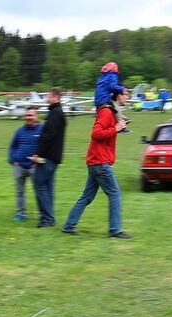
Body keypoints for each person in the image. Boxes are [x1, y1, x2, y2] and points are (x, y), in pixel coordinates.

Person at [62, 85, 131, 239]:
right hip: (100, 161)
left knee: (87, 197)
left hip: (96, 160)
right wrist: (116, 128)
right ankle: (115, 229)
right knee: (115, 194)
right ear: (118, 96)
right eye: (126, 94)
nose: (128, 97)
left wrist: (118, 126)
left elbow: (108, 131)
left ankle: (68, 226)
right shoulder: (106, 111)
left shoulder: (112, 112)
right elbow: (96, 133)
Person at [31, 89, 66, 228]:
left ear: (56, 98)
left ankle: (47, 218)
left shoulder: (55, 113)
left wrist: (38, 153)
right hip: (54, 156)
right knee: (48, 186)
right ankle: (49, 216)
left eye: (49, 97)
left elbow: (49, 135)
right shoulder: (57, 112)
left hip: (48, 156)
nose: (47, 99)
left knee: (39, 183)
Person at [8, 108, 42, 221]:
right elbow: (13, 146)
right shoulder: (20, 131)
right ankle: (21, 214)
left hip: (35, 167)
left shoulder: (42, 130)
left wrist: (39, 159)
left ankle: (42, 214)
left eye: (31, 115)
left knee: (39, 191)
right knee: (19, 191)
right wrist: (13, 160)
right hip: (19, 166)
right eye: (27, 115)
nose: (29, 117)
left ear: (36, 117)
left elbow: (47, 146)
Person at [95, 61, 131, 133]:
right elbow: (112, 86)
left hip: (99, 100)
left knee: (113, 108)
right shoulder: (112, 76)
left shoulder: (103, 77)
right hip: (104, 99)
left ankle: (122, 119)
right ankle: (121, 124)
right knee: (115, 107)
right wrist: (121, 89)